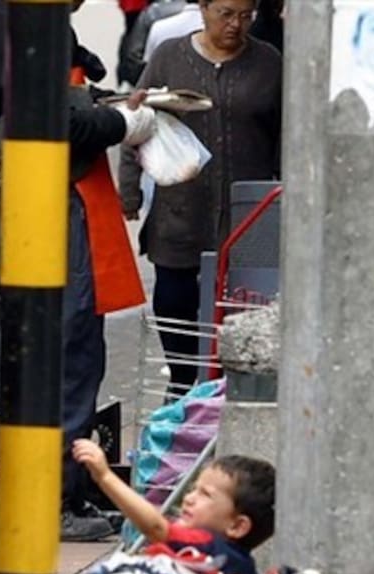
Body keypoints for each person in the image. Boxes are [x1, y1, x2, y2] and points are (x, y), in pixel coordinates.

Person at [0, 0, 153, 542]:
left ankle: (55, 484)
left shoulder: (21, 18)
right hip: (49, 206)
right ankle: (52, 494)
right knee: (67, 351)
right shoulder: (30, 21)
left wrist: (96, 90)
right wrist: (121, 121)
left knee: (57, 349)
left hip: (36, 206)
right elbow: (51, 119)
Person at [120, 0, 282, 399]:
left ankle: (233, 399)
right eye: (226, 13)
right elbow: (138, 120)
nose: (236, 25)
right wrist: (129, 189)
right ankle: (182, 394)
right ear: (204, 8)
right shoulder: (169, 57)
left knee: (246, 312)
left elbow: (286, 134)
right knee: (177, 308)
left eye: (247, 16)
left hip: (251, 215)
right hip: (181, 210)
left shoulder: (269, 63)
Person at [73, 440, 276, 574]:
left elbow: (155, 527)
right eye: (193, 489)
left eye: (205, 494)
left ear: (237, 526)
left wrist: (105, 477)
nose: (189, 498)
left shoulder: (210, 547)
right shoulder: (242, 566)